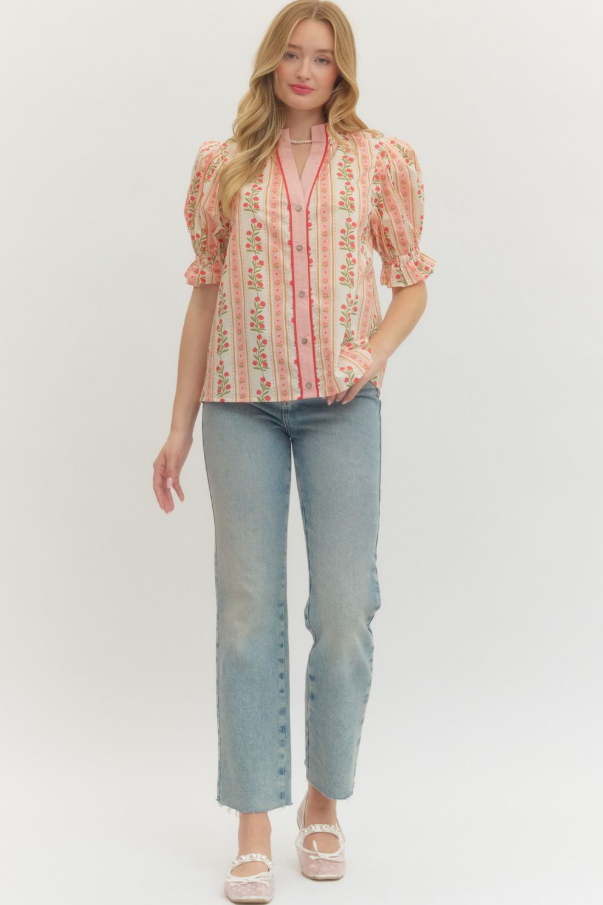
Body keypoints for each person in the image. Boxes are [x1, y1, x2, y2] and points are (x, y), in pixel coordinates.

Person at [153, 1, 436, 900]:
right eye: (291, 55)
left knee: (345, 612)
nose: (305, 71)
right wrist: (179, 424)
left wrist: (370, 353)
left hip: (342, 410)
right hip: (240, 405)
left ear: (340, 69)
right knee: (246, 613)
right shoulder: (223, 164)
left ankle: (322, 801)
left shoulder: (380, 161)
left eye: (321, 58)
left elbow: (410, 284)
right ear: (270, 63)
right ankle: (251, 823)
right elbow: (205, 296)